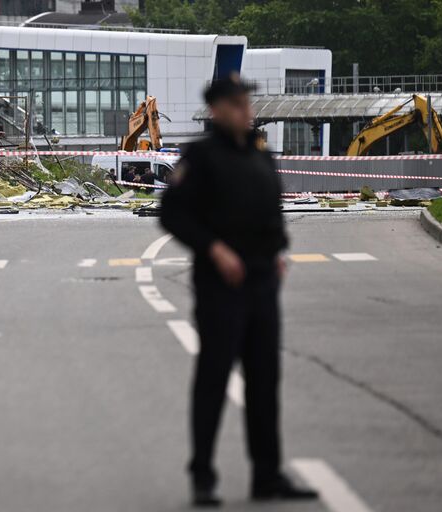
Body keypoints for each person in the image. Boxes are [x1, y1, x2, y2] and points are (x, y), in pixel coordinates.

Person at [160, 74, 318, 508]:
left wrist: (279, 251)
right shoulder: (201, 157)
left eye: (246, 101)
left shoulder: (259, 154)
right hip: (220, 285)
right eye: (236, 103)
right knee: (214, 378)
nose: (245, 109)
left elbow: (271, 207)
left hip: (263, 281)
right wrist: (214, 249)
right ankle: (203, 476)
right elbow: (171, 214)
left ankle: (267, 475)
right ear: (217, 109)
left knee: (265, 380)